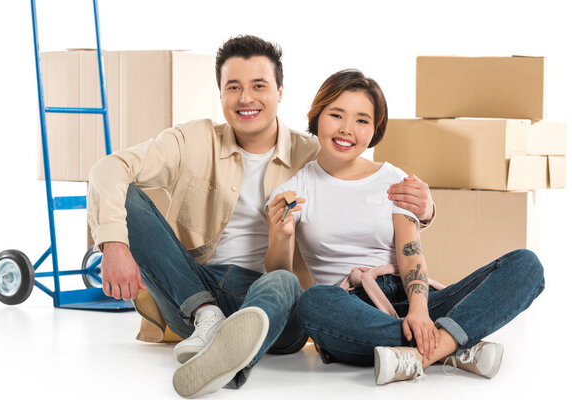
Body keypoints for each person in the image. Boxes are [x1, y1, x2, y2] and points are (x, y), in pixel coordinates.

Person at [87, 36, 434, 397]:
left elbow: (370, 187)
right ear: (220, 93)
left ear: (280, 91)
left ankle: (225, 354)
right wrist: (113, 245)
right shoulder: (192, 140)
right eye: (233, 87)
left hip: (272, 304)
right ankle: (209, 319)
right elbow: (107, 169)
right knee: (127, 195)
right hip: (190, 290)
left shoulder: (318, 153)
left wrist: (425, 208)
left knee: (283, 282)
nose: (245, 99)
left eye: (258, 86)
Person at [265, 69, 544, 385]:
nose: (346, 129)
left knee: (525, 266)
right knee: (312, 302)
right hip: (350, 309)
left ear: (375, 129)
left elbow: (410, 253)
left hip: (412, 297)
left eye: (362, 120)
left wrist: (420, 310)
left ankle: (418, 354)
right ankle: (450, 346)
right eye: (336, 115)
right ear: (316, 116)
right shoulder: (294, 190)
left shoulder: (395, 181)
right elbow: (278, 272)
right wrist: (282, 235)